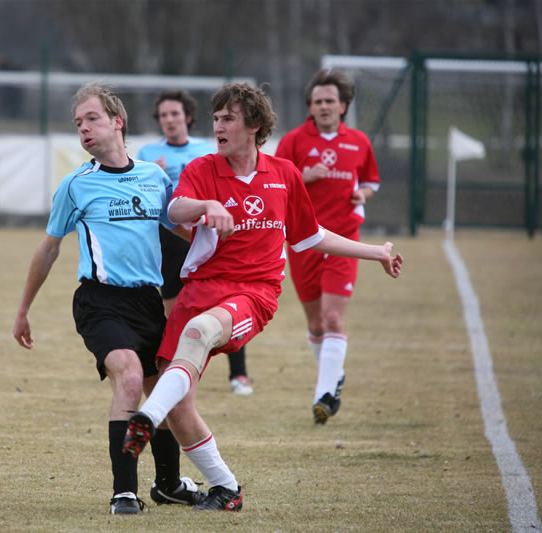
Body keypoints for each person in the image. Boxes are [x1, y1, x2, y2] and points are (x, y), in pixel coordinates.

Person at [121, 82, 403, 511]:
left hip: (255, 293)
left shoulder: (284, 174)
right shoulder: (202, 169)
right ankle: (226, 488)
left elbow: (311, 237)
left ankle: (145, 419)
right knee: (177, 402)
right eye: (215, 118)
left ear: (253, 125)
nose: (218, 125)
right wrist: (204, 208)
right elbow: (175, 210)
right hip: (200, 289)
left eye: (228, 118)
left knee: (197, 333)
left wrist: (374, 252)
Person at [12, 82, 207, 515]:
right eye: (78, 123)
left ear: (117, 121)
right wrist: (23, 310)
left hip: (147, 303)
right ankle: (124, 492)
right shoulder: (76, 185)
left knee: (164, 394)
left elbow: (179, 231)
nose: (83, 128)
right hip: (99, 302)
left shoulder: (154, 176)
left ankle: (170, 484)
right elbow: (48, 248)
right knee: (131, 377)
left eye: (92, 118)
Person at [274, 69, 381, 424]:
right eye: (317, 101)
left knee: (334, 318)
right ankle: (333, 376)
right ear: (310, 106)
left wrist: (361, 193)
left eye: (329, 101)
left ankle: (323, 394)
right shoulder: (293, 141)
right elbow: (274, 183)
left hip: (345, 240)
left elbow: (370, 181)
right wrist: (305, 176)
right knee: (317, 325)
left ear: (343, 105)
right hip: (303, 242)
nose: (323, 106)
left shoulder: (359, 142)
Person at [137, 89, 254, 396]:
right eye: (163, 115)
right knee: (175, 307)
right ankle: (179, 368)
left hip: (209, 233)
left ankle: (238, 376)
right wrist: (153, 177)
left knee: (228, 300)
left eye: (175, 114)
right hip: (169, 236)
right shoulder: (148, 155)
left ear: (187, 116)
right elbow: (142, 195)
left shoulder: (208, 149)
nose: (169, 120)